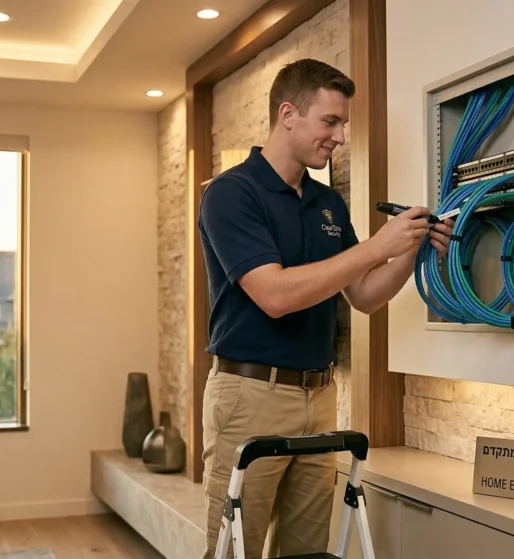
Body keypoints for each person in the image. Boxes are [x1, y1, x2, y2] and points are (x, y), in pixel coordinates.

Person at [196, 58, 454, 558]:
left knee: (306, 551)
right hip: (250, 395)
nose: (339, 136)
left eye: (343, 124)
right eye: (330, 122)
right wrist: (379, 246)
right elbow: (275, 295)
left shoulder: (328, 204)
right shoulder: (231, 194)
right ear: (288, 114)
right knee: (233, 552)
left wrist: (412, 248)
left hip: (319, 397)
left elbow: (364, 296)